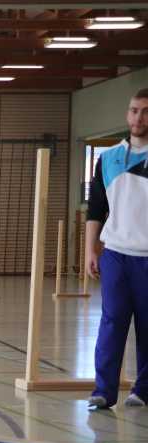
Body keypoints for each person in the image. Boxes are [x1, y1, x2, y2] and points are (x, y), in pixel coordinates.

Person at [86, 89, 148, 410]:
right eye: (134, 110)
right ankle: (103, 391)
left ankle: (143, 391)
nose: (139, 117)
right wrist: (90, 250)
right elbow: (96, 208)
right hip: (115, 255)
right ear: (127, 114)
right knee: (112, 322)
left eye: (146, 111)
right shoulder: (108, 158)